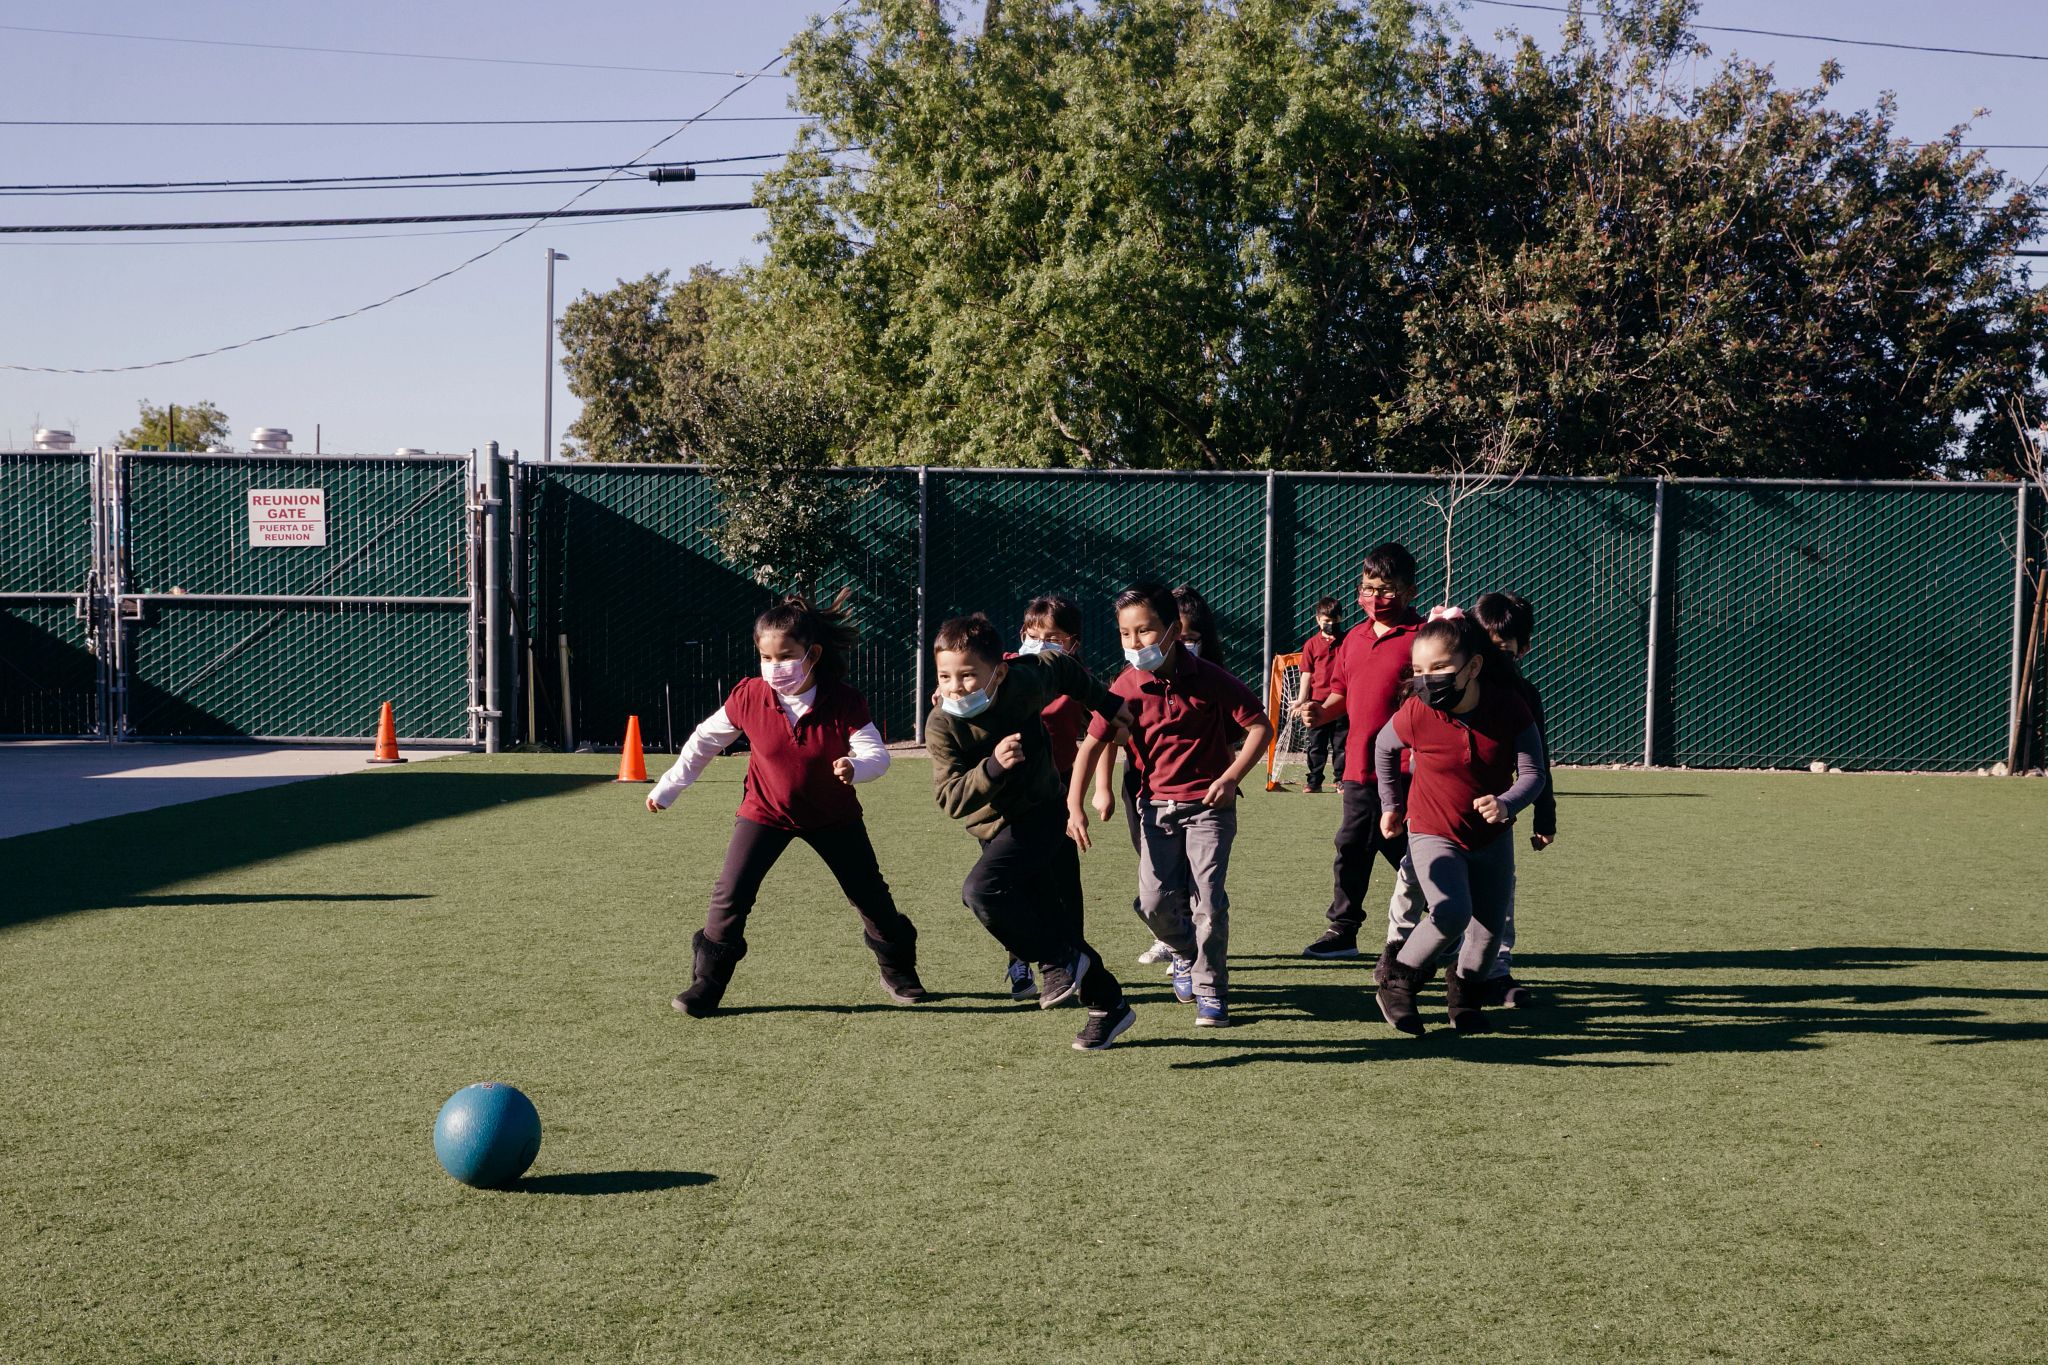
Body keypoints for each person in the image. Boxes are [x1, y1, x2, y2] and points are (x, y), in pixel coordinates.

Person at [650, 591, 925, 1017]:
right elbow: (705, 741)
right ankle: (706, 986)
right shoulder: (748, 696)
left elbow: (877, 755)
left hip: (834, 816)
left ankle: (899, 970)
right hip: (765, 811)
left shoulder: (844, 699)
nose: (775, 668)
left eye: (786, 656)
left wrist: (856, 766)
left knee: (870, 896)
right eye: (766, 657)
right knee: (730, 894)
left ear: (811, 654)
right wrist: (669, 787)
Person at [926, 613, 1139, 1052]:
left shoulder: (1023, 681)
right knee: (1059, 930)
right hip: (997, 829)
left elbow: (1062, 669)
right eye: (945, 676)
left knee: (981, 891)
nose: (955, 687)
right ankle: (1109, 1005)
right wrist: (992, 767)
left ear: (998, 672)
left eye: (968, 675)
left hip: (1046, 814)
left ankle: (1059, 963)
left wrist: (1108, 703)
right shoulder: (941, 724)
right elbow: (949, 798)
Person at [1067, 583, 1271, 1028]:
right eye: (1125, 634)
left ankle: (1211, 988)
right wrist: (1076, 805)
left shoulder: (1210, 677)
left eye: (1145, 631)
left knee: (1209, 903)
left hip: (1209, 808)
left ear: (1174, 630)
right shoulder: (1124, 685)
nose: (1135, 643)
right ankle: (1183, 952)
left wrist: (1231, 776)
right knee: (1155, 903)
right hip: (1153, 809)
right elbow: (1091, 745)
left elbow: (1260, 726)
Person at [1372, 607, 1546, 1035]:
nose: (1428, 679)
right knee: (1451, 912)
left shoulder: (1508, 707)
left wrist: (1507, 804)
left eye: (1440, 668)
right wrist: (1391, 803)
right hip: (1433, 830)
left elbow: (1534, 774)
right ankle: (1396, 984)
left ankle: (1463, 1001)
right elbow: (1383, 746)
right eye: (1418, 670)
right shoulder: (1417, 711)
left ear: (1473, 667)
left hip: (1491, 838)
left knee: (1487, 932)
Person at [1297, 543, 1427, 960]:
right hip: (1358, 766)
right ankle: (1344, 929)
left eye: (1386, 589)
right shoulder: (1352, 637)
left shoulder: (1425, 638)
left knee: (1408, 847)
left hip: (1408, 767)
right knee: (1354, 844)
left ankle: (1448, 917)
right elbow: (1340, 693)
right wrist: (1319, 711)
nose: (1375, 597)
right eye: (1368, 587)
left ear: (1409, 591)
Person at [998, 594, 1116, 1002]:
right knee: (1013, 881)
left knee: (1064, 881)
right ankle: (1019, 959)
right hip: (1008, 794)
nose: (1042, 643)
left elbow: (1106, 731)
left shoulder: (1076, 680)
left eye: (1054, 637)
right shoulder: (1001, 671)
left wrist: (1100, 789)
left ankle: (1073, 963)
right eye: (1035, 635)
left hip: (1060, 792)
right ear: (1022, 635)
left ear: (1072, 643)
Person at [1294, 597, 1347, 793]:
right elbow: (1306, 673)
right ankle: (1314, 781)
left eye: (1334, 620)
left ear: (1340, 618)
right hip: (1317, 703)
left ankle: (1341, 780)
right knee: (1316, 745)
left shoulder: (1348, 641)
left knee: (1342, 744)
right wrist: (1301, 699)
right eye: (1326, 620)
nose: (1330, 624)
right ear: (1318, 620)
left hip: (1342, 703)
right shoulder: (1311, 645)